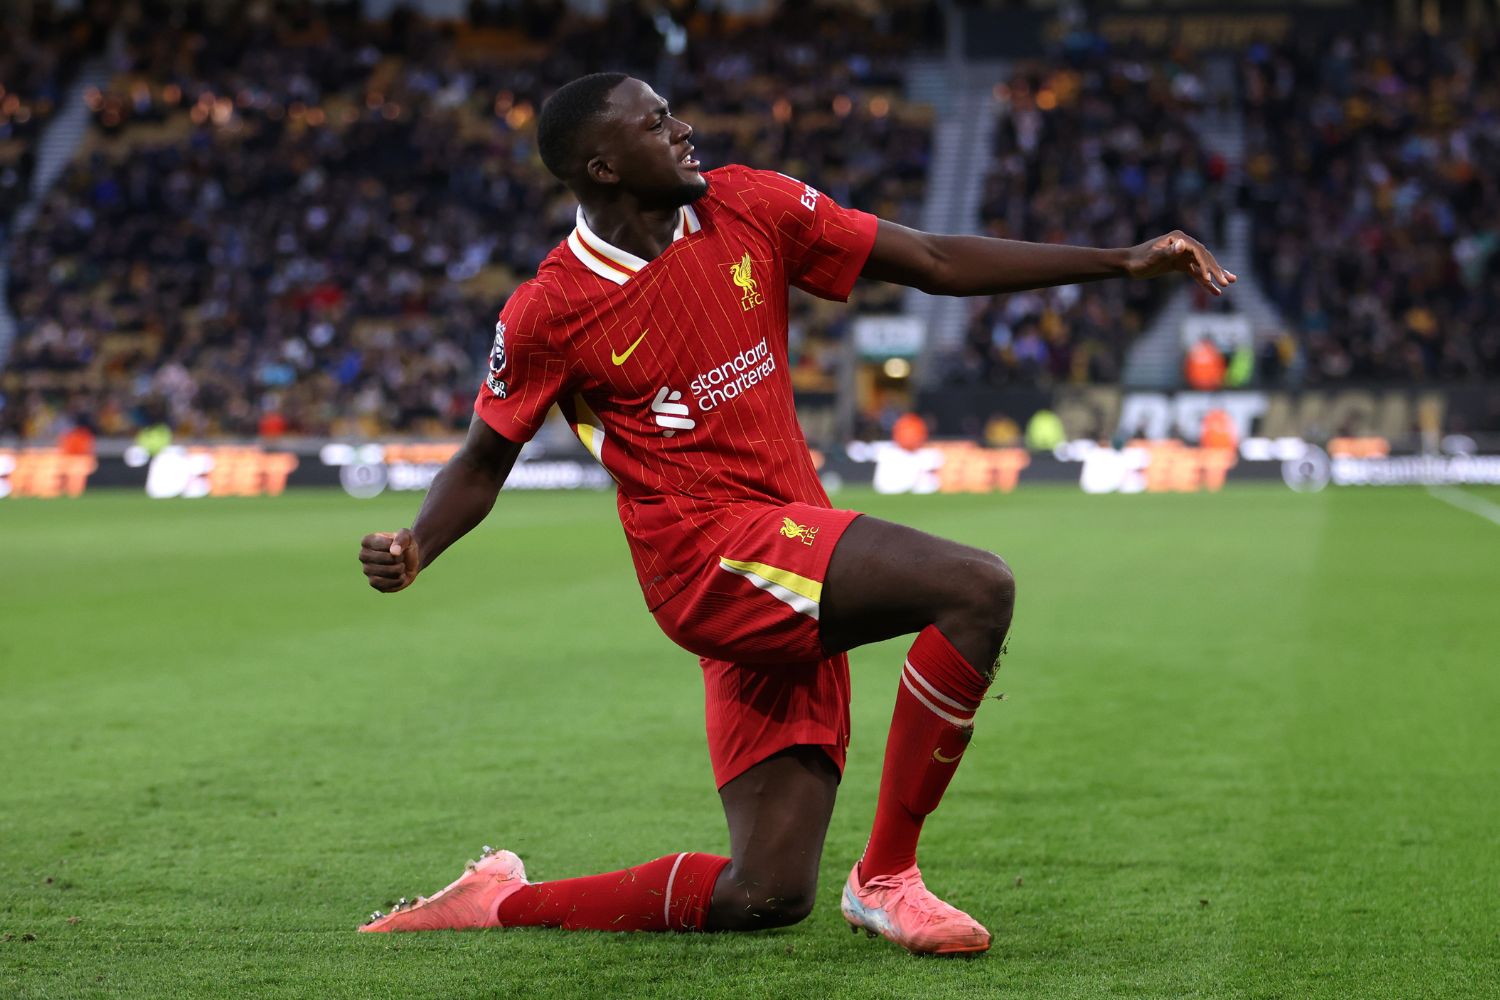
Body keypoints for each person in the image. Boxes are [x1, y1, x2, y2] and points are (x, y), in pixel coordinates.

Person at [356, 73, 1234, 955]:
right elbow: (482, 459)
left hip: (786, 548)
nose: (685, 130)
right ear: (603, 165)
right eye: (658, 124)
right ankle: (887, 878)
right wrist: (417, 543)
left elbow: (929, 260)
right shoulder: (550, 308)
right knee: (974, 588)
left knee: (765, 893)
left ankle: (497, 900)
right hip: (707, 561)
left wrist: (1119, 260)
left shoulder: (747, 203)